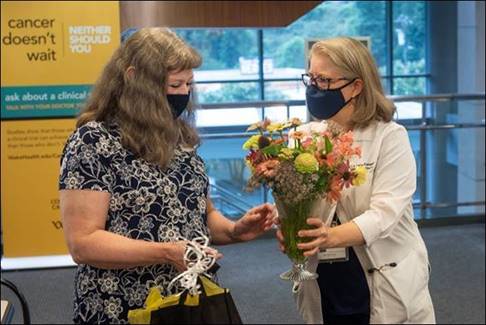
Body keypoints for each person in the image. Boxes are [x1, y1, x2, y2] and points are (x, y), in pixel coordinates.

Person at [59, 27, 276, 324]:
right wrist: (167, 252)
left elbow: (201, 216)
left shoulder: (180, 138)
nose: (184, 94)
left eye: (189, 84)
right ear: (133, 78)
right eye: (174, 85)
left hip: (189, 304)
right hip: (121, 307)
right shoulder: (93, 142)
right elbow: (83, 243)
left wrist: (236, 230)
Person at [274, 37, 436, 324]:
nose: (314, 88)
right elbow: (302, 202)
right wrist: (288, 224)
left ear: (356, 86)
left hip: (381, 274)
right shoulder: (304, 137)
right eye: (310, 78)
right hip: (326, 279)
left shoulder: (390, 137)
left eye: (323, 80)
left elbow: (384, 214)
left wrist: (329, 237)